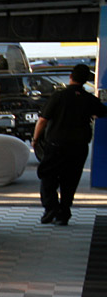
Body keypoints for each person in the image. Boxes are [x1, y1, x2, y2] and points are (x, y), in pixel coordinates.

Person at [31, 63, 107, 225]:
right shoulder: (89, 99)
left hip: (56, 145)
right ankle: (64, 213)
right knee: (70, 180)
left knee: (48, 176)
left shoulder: (58, 96)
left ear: (71, 77)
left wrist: (35, 139)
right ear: (86, 80)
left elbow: (42, 120)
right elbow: (102, 113)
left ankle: (51, 207)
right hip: (79, 147)